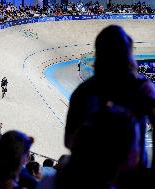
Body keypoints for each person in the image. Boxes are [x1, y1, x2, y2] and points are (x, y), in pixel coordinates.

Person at [64, 25, 155, 169]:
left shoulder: (83, 91)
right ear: (128, 55)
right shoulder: (142, 87)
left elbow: (69, 141)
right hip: (133, 175)